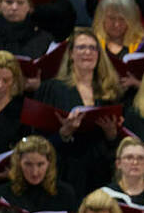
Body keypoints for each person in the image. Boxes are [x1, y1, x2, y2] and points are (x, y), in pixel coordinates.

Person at [39, 27, 125, 195]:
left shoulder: (109, 92)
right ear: (71, 54)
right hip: (65, 170)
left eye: (93, 48)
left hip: (100, 172)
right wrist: (64, 133)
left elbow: (115, 144)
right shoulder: (53, 88)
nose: (88, 52)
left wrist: (111, 135)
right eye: (81, 47)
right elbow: (40, 138)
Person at [0, 134, 76, 213]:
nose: (35, 172)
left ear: (49, 163)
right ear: (18, 163)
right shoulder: (2, 194)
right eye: (28, 164)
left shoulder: (65, 194)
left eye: (40, 164)